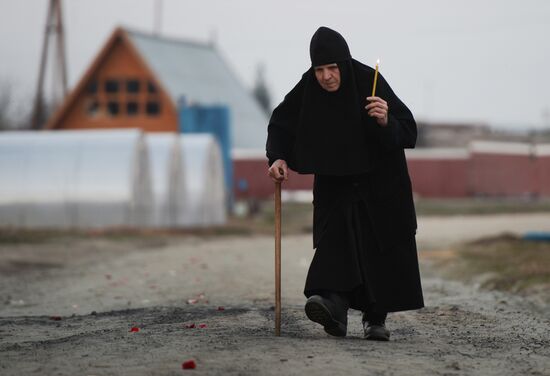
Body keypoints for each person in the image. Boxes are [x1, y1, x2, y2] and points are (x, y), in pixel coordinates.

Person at [266, 26, 424, 341]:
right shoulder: (308, 87)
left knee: (378, 248)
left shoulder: (369, 81)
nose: (325, 76)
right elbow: (282, 123)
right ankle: (333, 309)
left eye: (332, 68)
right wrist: (277, 158)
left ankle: (374, 319)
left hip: (380, 182)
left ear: (344, 63)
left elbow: (408, 131)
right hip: (335, 182)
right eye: (319, 69)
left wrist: (384, 120)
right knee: (335, 243)